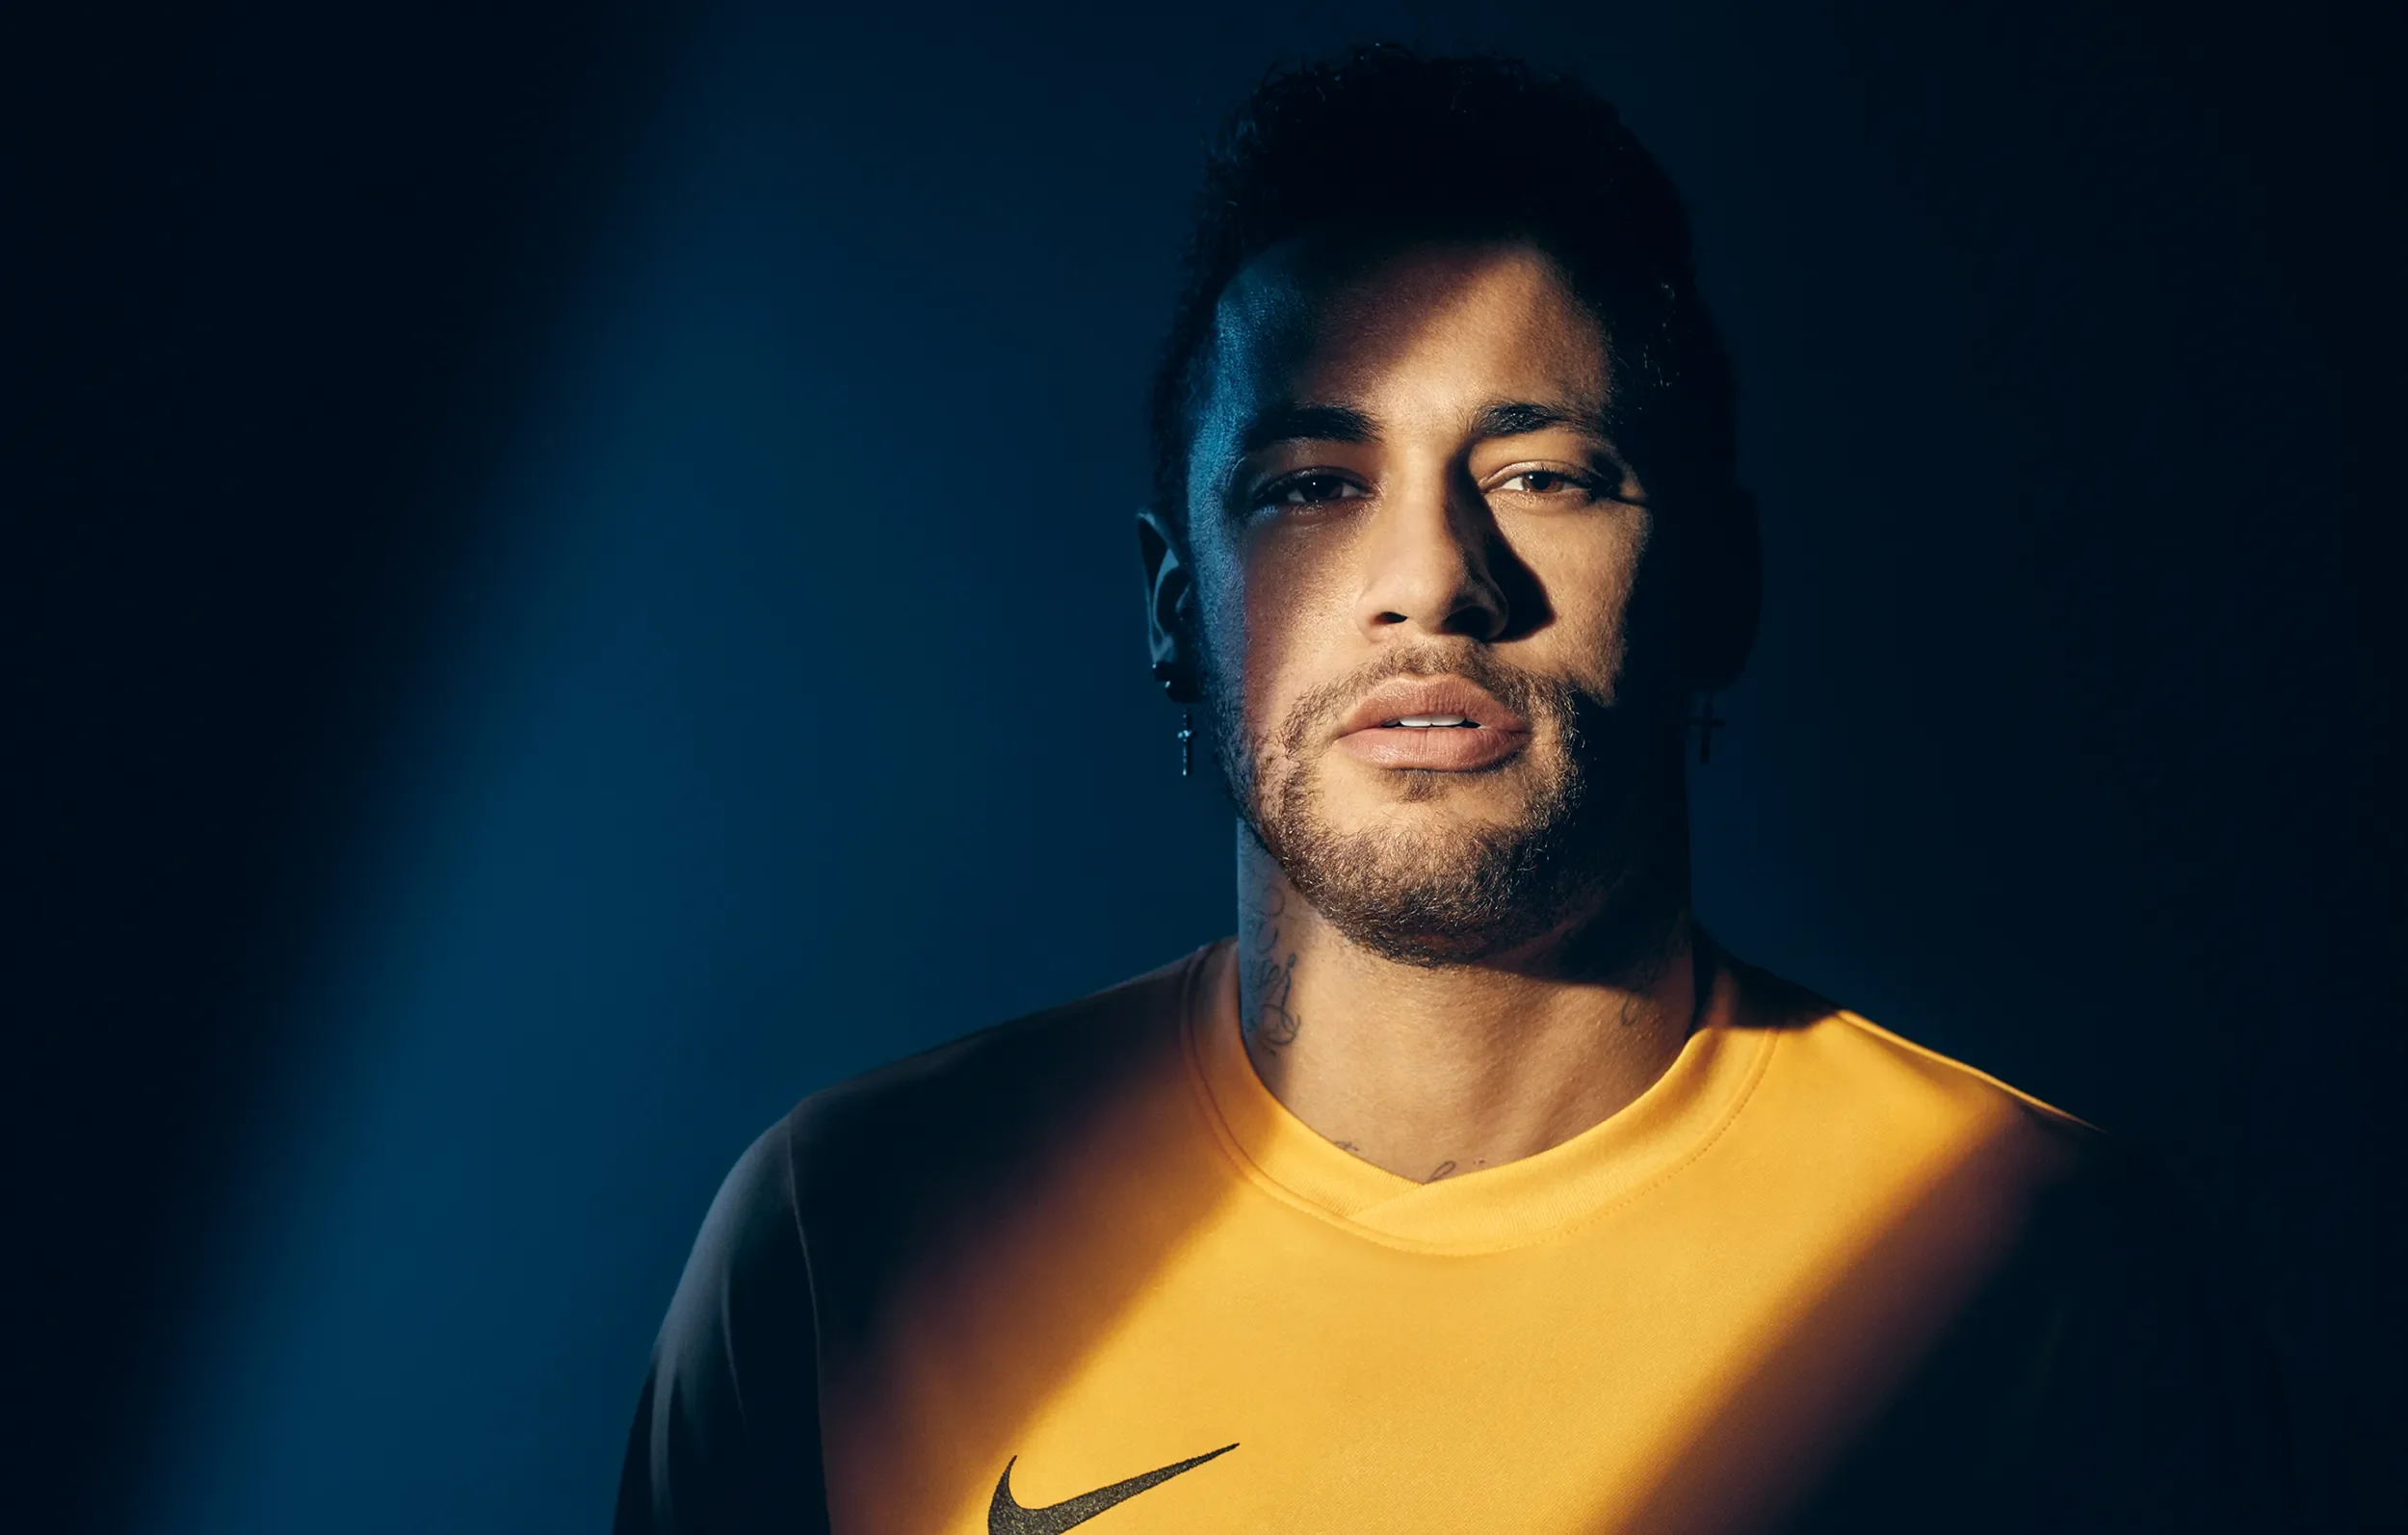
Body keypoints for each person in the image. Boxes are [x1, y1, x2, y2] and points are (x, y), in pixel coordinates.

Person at [615, 46, 2296, 1534]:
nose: (1434, 573)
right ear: (1171, 610)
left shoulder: (2044, 1272)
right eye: (1311, 485)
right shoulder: (839, 1237)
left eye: (1542, 473)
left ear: (1720, 583)